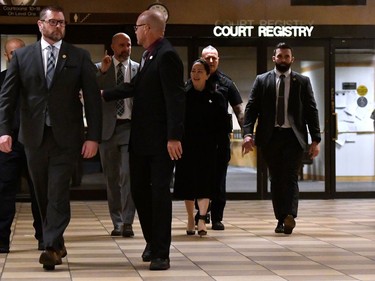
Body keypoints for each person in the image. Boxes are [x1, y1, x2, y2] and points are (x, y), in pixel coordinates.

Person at [0, 5, 102, 270]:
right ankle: (55, 240)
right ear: (40, 24)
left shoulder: (79, 56)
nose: (58, 26)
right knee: (41, 192)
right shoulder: (22, 57)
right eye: (53, 22)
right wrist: (3, 132)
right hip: (32, 136)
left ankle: (49, 247)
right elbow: (7, 98)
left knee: (57, 191)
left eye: (62, 23)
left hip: (66, 137)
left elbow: (92, 99)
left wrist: (94, 136)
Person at [102, 10, 185, 270]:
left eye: (137, 28)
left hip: (161, 143)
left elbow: (175, 99)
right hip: (141, 141)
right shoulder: (150, 55)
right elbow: (134, 86)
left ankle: (161, 252)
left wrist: (174, 136)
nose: (135, 32)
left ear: (147, 28)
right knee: (139, 191)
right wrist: (103, 94)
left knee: (159, 195)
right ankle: (152, 240)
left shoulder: (167, 55)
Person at [242, 42, 321, 235]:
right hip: (271, 137)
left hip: (294, 137)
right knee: (276, 178)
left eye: (287, 56)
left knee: (291, 176)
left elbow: (311, 110)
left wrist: (316, 139)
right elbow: (251, 108)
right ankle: (280, 219)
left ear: (292, 59)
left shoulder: (302, 82)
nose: (283, 59)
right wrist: (247, 134)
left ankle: (290, 216)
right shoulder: (262, 80)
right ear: (274, 58)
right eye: (280, 56)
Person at [174, 59, 228, 237]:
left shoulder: (217, 96)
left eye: (199, 71)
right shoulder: (183, 95)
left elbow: (222, 125)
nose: (195, 74)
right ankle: (191, 218)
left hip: (208, 147)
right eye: (193, 71)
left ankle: (202, 219)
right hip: (187, 146)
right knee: (188, 184)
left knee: (206, 183)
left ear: (207, 75)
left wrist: (222, 147)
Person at [0, 38, 43, 254]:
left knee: (39, 191)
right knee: (4, 190)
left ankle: (44, 238)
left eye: (20, 53)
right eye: (12, 54)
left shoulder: (36, 79)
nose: (16, 57)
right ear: (7, 57)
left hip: (35, 142)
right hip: (8, 143)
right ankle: (1, 240)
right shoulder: (0, 80)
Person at [196, 45, 244, 231]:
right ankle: (201, 213)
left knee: (218, 178)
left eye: (214, 57)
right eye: (207, 57)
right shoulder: (194, 79)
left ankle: (217, 217)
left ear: (218, 59)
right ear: (201, 59)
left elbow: (239, 109)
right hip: (198, 138)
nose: (211, 61)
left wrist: (247, 133)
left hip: (219, 138)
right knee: (200, 177)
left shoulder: (226, 83)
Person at [96, 33, 138, 238]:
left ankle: (128, 221)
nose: (125, 48)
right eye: (121, 45)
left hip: (131, 127)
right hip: (107, 129)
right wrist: (102, 72)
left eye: (129, 45)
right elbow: (91, 94)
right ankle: (117, 221)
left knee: (128, 175)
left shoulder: (140, 69)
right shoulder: (100, 68)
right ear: (112, 46)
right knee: (111, 178)